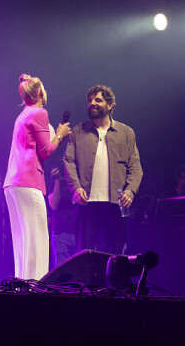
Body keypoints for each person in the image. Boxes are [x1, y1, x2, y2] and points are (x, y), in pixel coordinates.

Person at [3, 74, 71, 280]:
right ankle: (36, 285)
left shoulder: (23, 115)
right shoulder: (40, 113)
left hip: (13, 182)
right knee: (37, 236)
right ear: (41, 92)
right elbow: (46, 150)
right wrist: (59, 134)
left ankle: (23, 282)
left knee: (22, 238)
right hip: (28, 181)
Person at [64, 84, 143, 255]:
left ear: (110, 105)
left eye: (98, 100)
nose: (92, 103)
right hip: (86, 204)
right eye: (90, 100)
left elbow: (135, 166)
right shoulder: (77, 132)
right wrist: (76, 187)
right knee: (84, 255)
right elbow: (68, 161)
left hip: (115, 204)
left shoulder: (126, 132)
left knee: (115, 255)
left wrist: (130, 191)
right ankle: (86, 283)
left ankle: (114, 283)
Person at [47, 165, 76, 267]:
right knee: (62, 271)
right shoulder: (53, 185)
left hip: (77, 233)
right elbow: (54, 205)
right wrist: (57, 182)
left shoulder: (76, 185)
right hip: (61, 234)